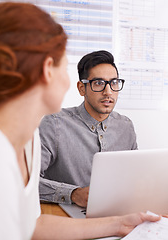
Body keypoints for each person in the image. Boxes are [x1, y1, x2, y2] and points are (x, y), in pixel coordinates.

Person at [0, 2, 159, 240]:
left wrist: (120, 225)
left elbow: (32, 227)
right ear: (48, 70)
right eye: (64, 67)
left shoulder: (29, 139)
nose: (107, 91)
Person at [39, 50, 137, 207]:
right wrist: (73, 194)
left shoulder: (125, 126)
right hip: (67, 217)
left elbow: (134, 178)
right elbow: (26, 182)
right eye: (98, 83)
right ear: (81, 88)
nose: (108, 92)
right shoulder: (54, 124)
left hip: (116, 212)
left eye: (114, 83)